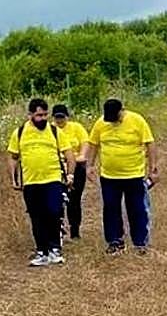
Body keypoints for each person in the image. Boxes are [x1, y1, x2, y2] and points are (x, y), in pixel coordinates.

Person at [86, 98, 158, 256]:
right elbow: (93, 144)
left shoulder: (137, 120)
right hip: (109, 177)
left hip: (134, 175)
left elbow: (150, 144)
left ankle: (140, 243)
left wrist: (153, 168)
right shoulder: (100, 124)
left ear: (121, 111)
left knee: (137, 209)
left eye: (115, 118)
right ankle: (115, 241)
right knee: (111, 208)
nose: (112, 121)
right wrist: (89, 166)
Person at [9, 99, 76, 266]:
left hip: (52, 179)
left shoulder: (54, 131)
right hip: (31, 182)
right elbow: (13, 157)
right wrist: (13, 178)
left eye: (45, 114)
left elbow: (69, 155)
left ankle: (55, 249)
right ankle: (42, 251)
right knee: (36, 216)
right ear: (30, 115)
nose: (43, 118)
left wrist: (70, 175)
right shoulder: (20, 132)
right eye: (39, 115)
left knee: (54, 212)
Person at [52, 104, 90, 240]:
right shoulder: (51, 130)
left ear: (67, 116)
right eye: (57, 117)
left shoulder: (76, 128)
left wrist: (82, 156)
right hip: (57, 167)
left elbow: (85, 143)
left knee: (74, 199)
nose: (60, 120)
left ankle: (75, 229)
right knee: (57, 200)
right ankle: (59, 230)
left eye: (62, 117)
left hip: (77, 166)